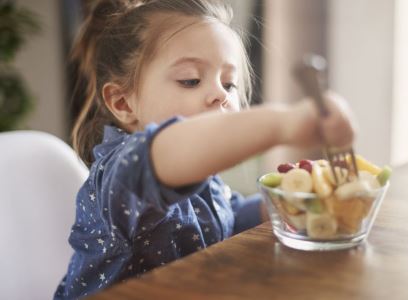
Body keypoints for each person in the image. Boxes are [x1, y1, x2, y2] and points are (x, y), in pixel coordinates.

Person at [55, 0, 356, 298]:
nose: (219, 94)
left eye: (229, 84)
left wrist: (284, 202)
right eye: (191, 80)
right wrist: (283, 123)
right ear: (123, 103)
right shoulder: (122, 173)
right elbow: (171, 148)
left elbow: (228, 218)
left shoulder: (200, 176)